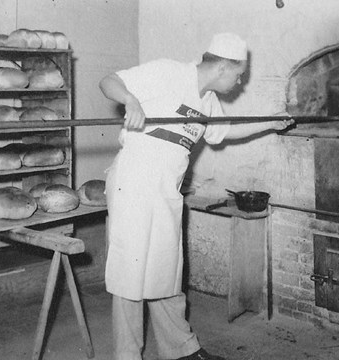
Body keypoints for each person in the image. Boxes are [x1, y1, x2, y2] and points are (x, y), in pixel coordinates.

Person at [99, 32, 293, 360]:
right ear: (221, 68)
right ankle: (127, 355)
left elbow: (224, 131)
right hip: (133, 185)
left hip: (165, 191)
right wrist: (130, 100)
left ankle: (181, 350)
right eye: (238, 72)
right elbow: (109, 81)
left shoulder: (207, 101)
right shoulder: (168, 72)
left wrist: (270, 124)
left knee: (167, 271)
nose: (240, 79)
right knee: (130, 277)